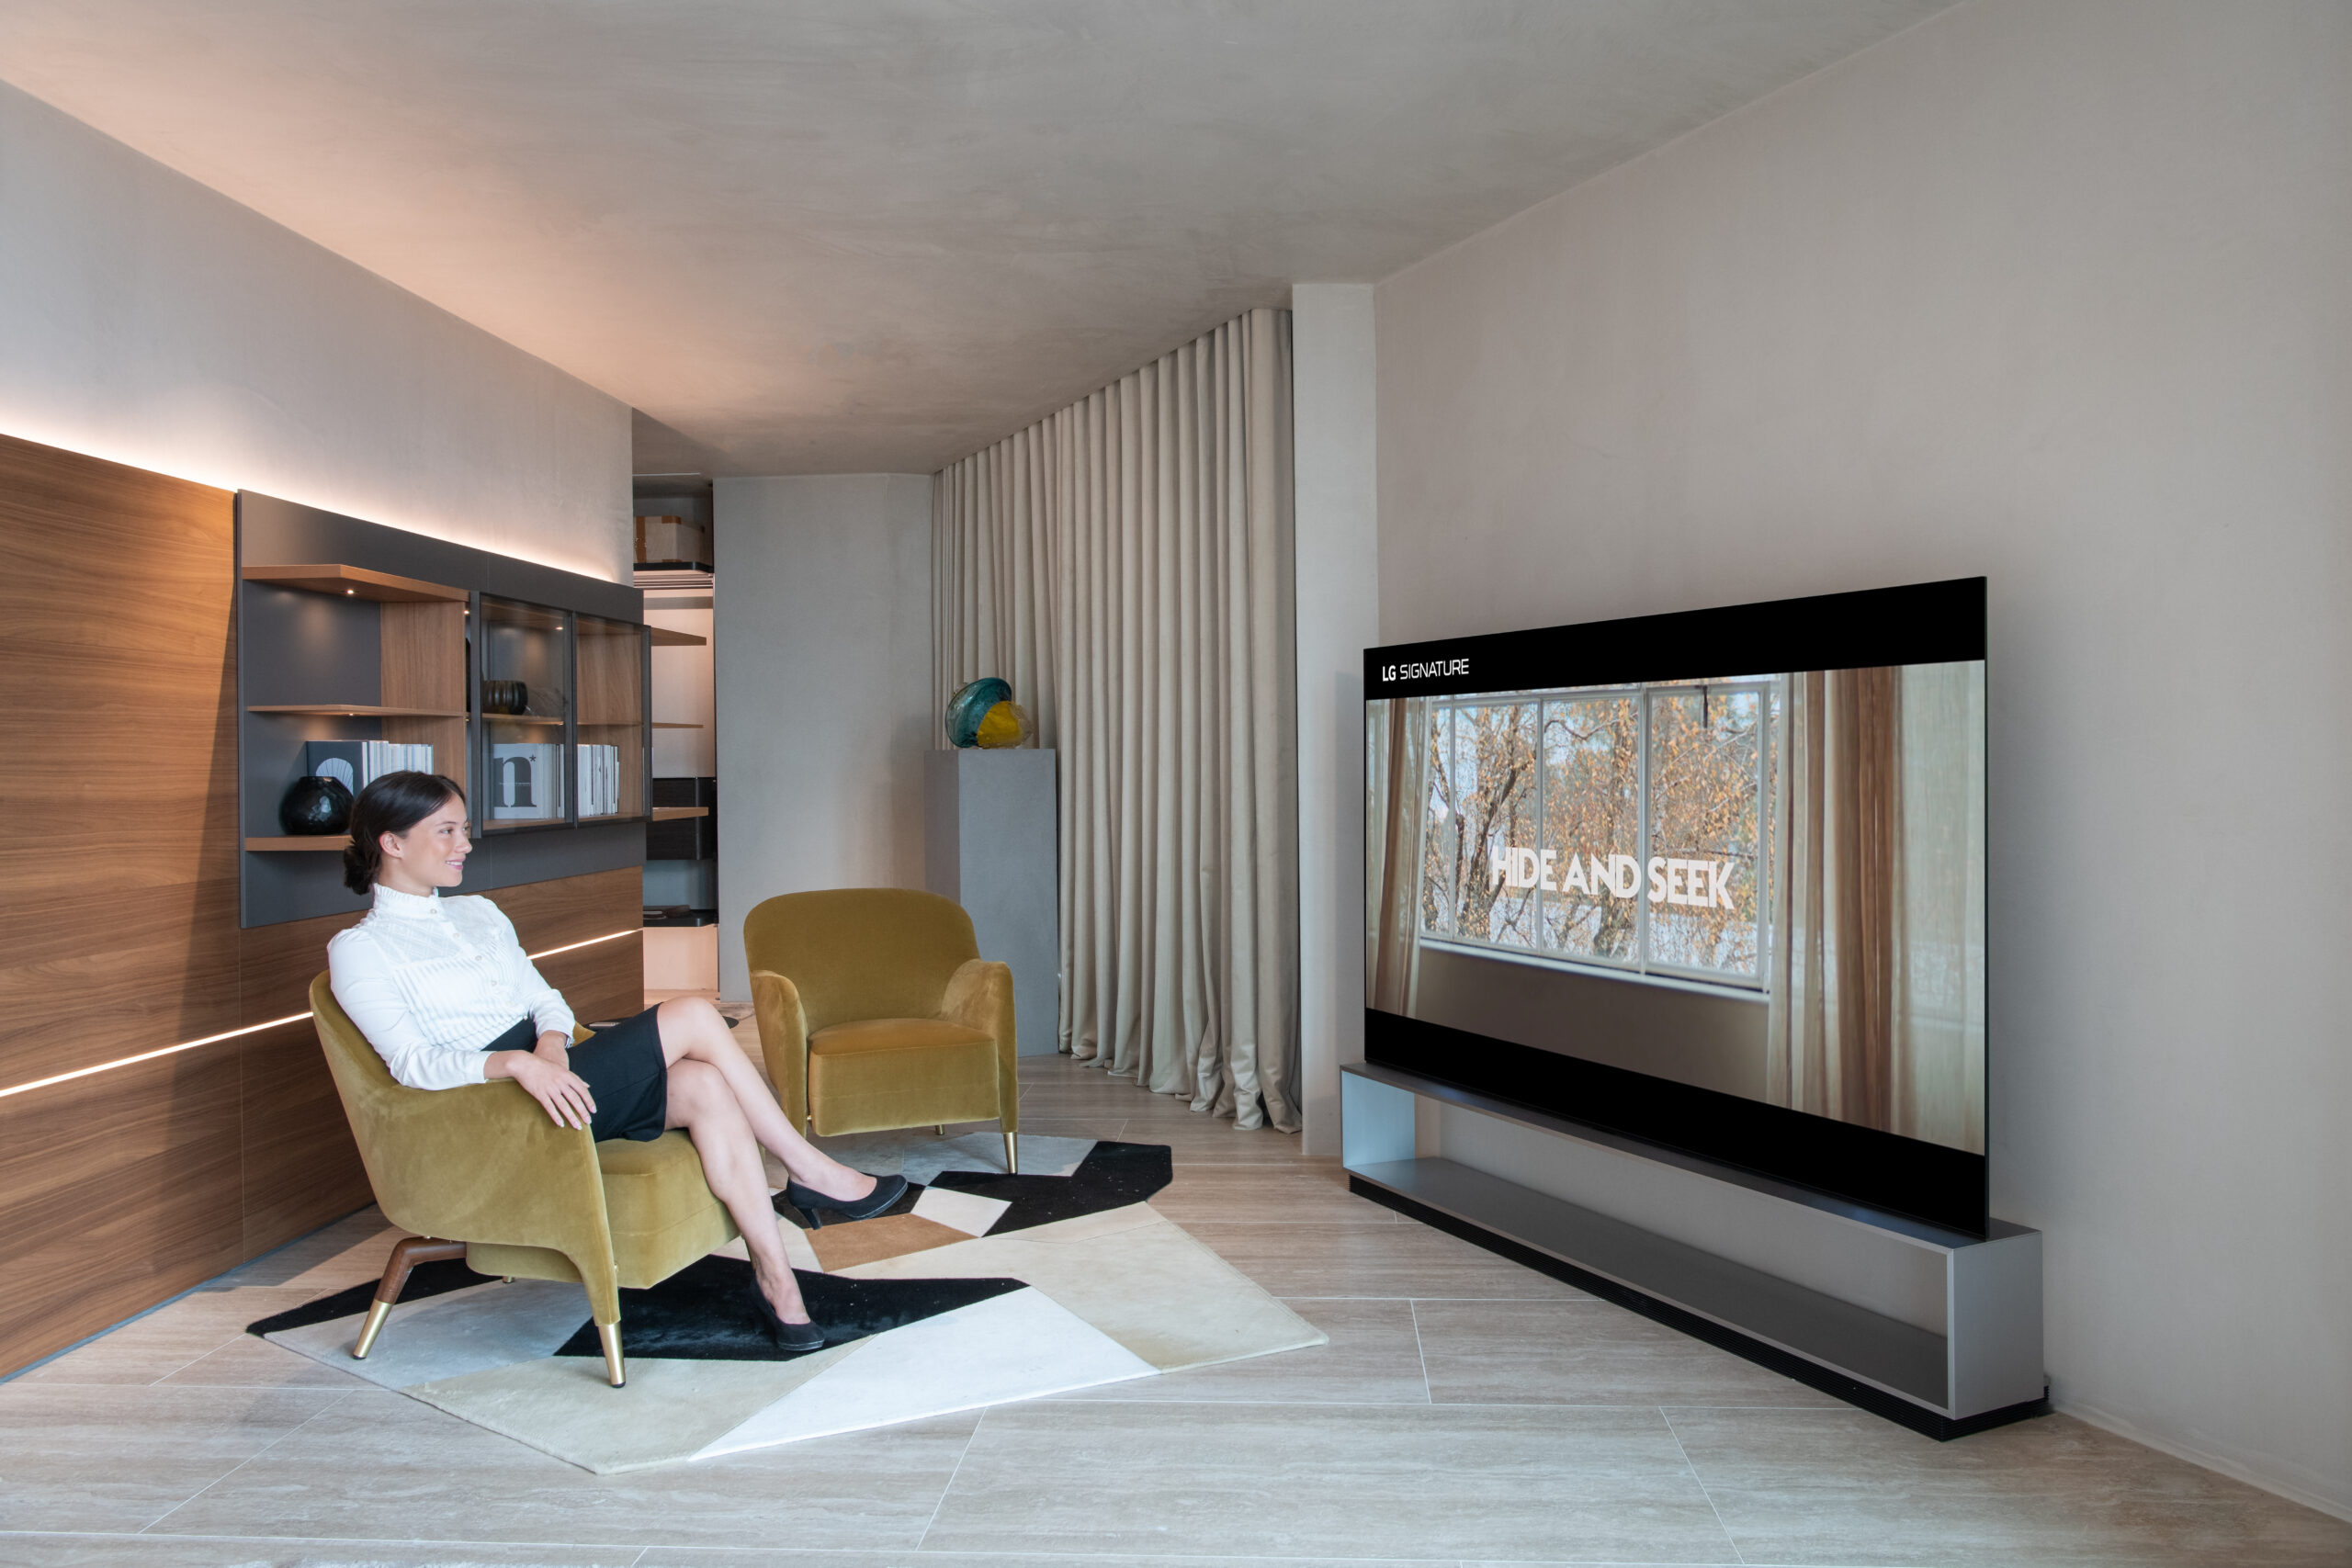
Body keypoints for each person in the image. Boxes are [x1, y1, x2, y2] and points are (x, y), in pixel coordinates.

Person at [326, 771, 902, 1351]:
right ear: (391, 843)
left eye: (466, 829)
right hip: (494, 1111)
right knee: (696, 1017)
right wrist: (518, 1065)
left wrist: (550, 1045)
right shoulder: (361, 949)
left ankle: (778, 1283)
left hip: (556, 1076)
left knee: (703, 1083)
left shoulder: (480, 912)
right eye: (447, 831)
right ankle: (810, 1172)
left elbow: (544, 1000)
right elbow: (409, 1062)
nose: (465, 844)